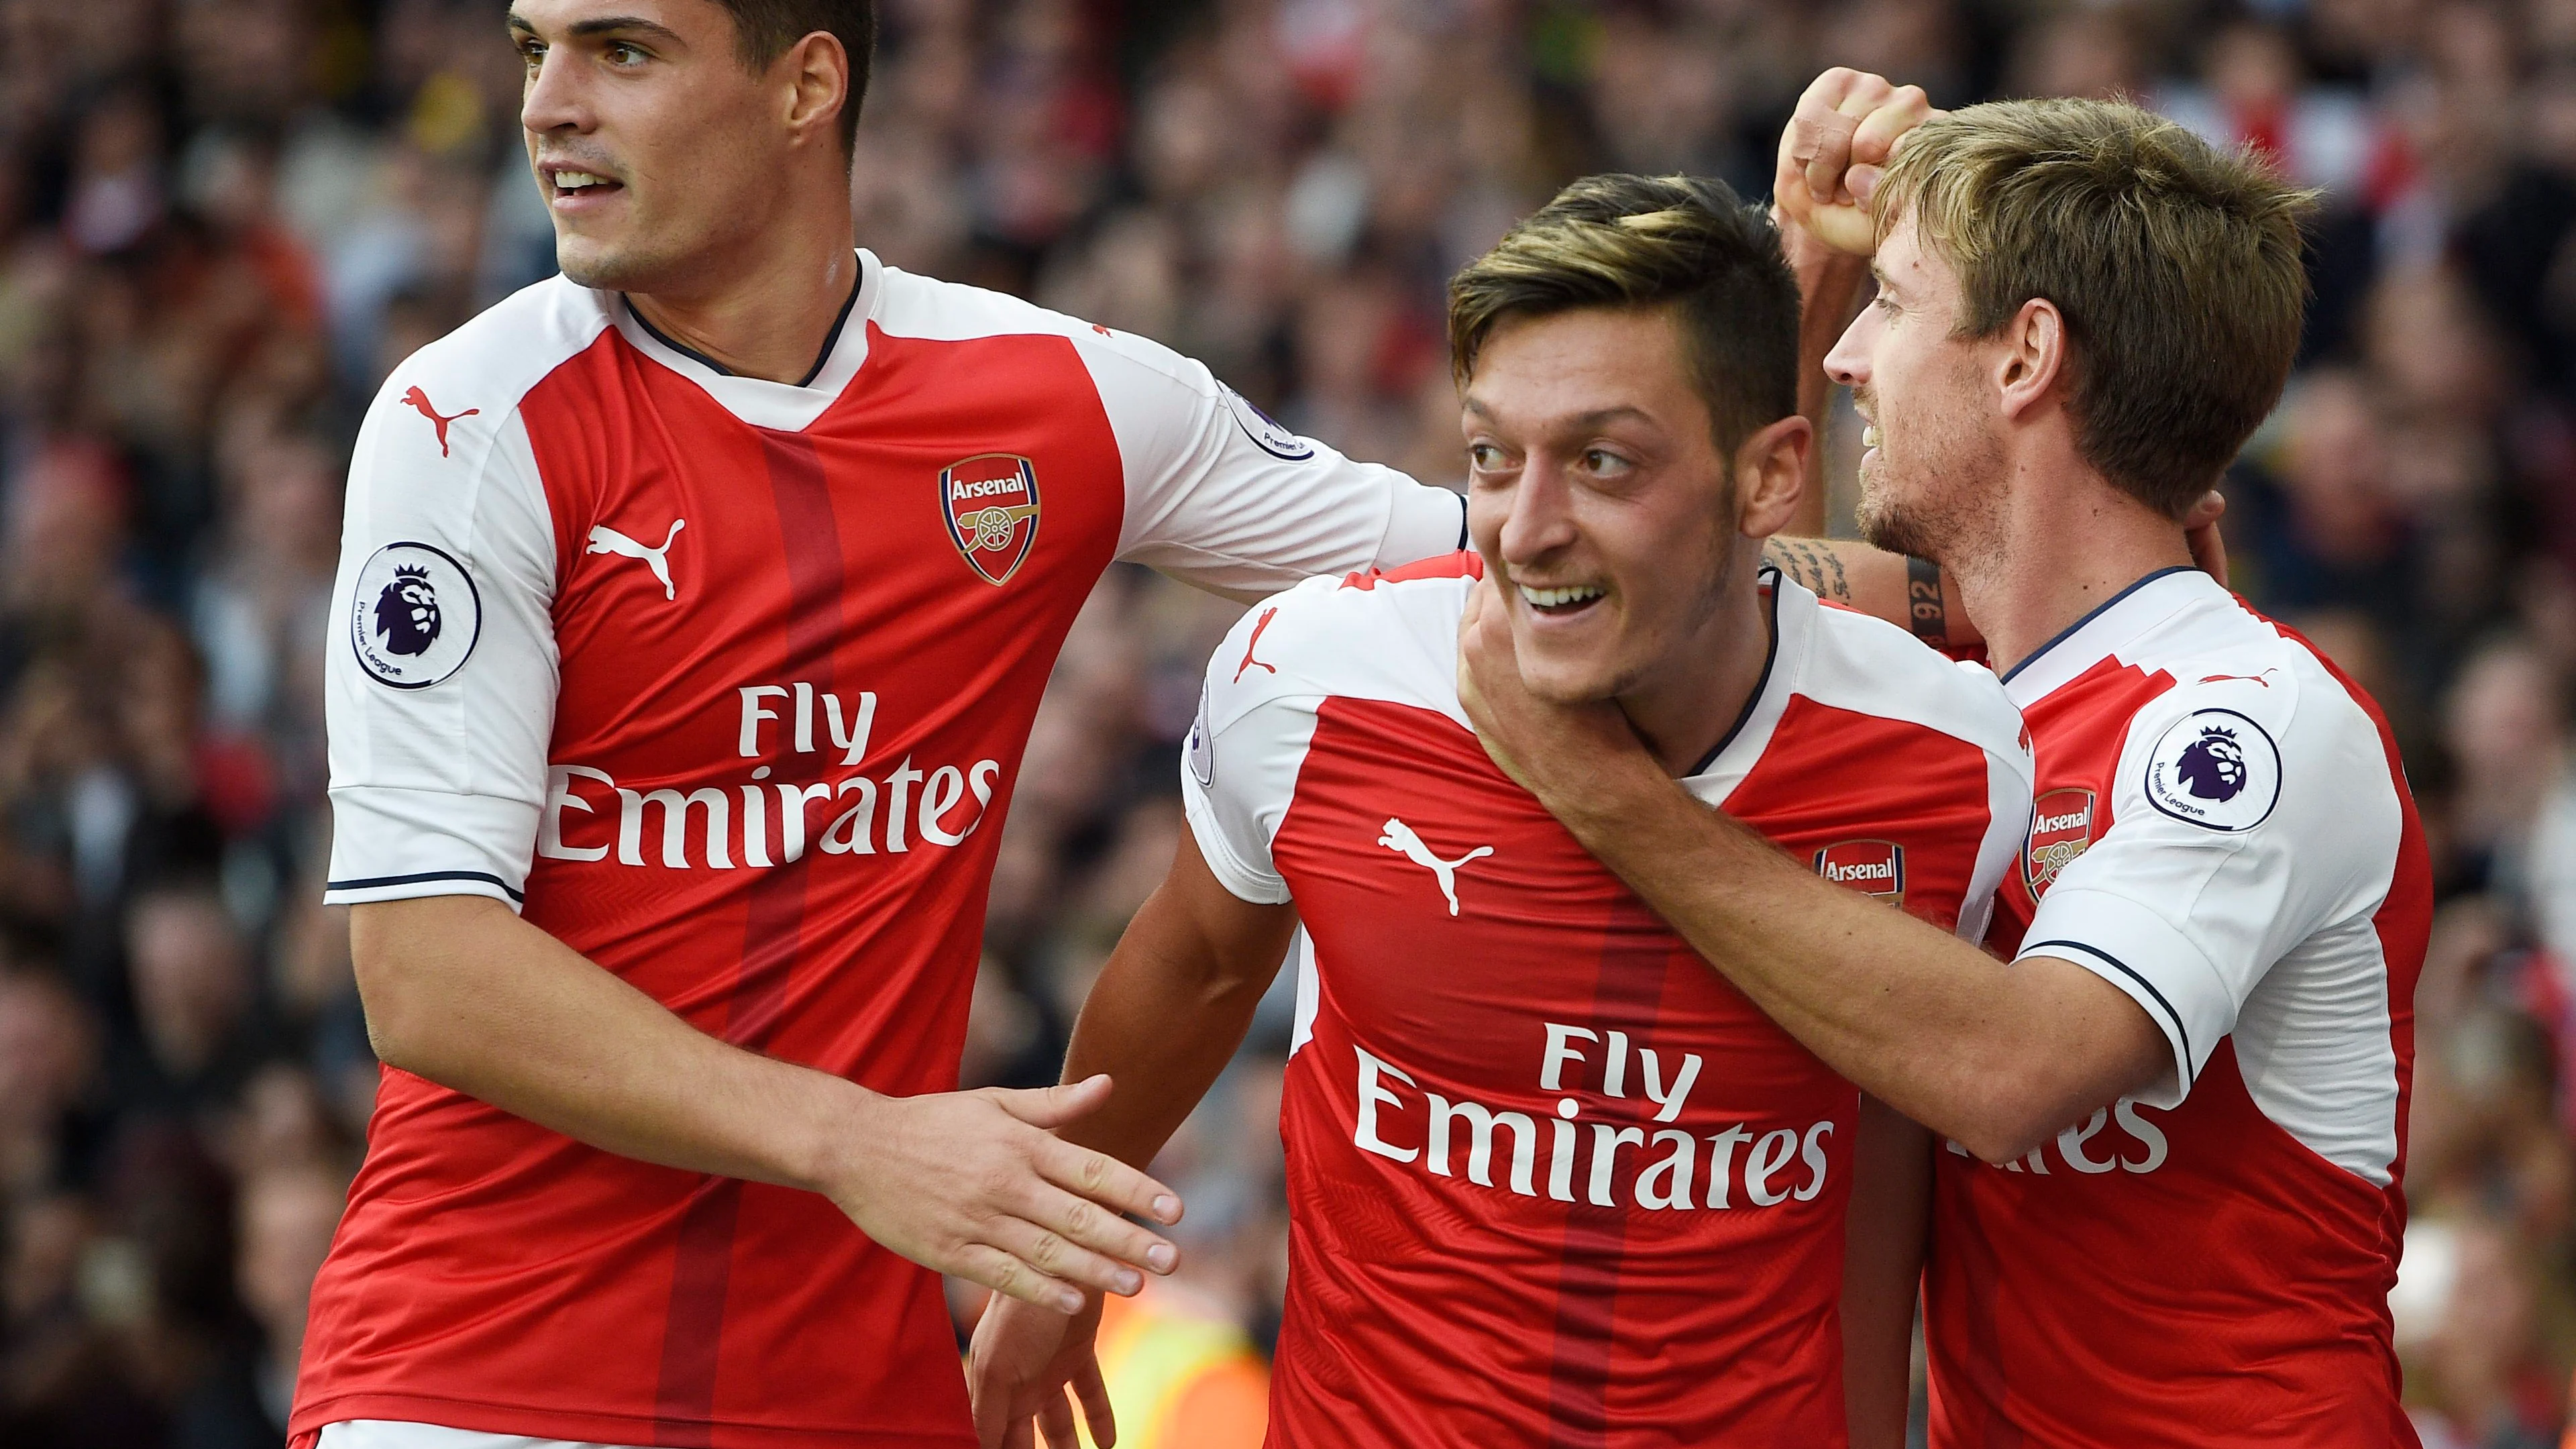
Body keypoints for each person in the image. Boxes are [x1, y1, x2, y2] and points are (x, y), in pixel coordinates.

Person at [298, 0, 1470, 1442]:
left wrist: (1787, 324)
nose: (548, 103)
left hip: (869, 1399)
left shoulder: (1067, 401)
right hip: (477, 1381)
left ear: (804, 87)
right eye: (535, 49)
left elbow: (1517, 576)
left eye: (622, 50)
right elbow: (422, 971)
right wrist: (861, 1141)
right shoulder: (468, 424)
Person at [967, 174, 2033, 1449]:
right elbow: (1195, 969)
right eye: (1491, 457)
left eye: (1601, 461)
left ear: (1768, 480)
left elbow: (1897, 1151)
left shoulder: (1955, 762)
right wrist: (1057, 1256)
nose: (1525, 531)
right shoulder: (1318, 674)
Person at [1459, 74, 2430, 1446]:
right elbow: (1691, 582)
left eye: (1894, 302)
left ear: (2026, 357)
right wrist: (1799, 257)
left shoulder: (2244, 715)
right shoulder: (1960, 680)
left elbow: (2015, 1075)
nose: (1851, 355)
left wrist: (1611, 800)